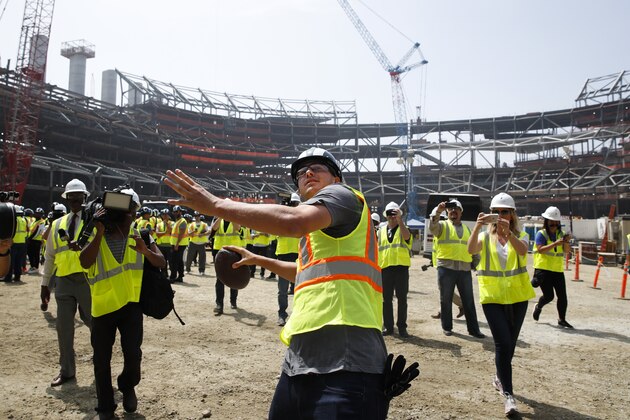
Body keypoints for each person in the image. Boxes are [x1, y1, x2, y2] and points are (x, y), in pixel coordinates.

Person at [164, 147, 391, 419]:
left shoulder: (344, 196)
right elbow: (306, 273)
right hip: (301, 359)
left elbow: (292, 221)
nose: (307, 172)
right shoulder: (318, 233)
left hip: (347, 358)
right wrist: (259, 259)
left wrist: (215, 204)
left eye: (317, 167)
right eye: (300, 172)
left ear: (337, 179)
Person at [79, 188, 165, 419]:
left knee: (133, 354)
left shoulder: (142, 234)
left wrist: (145, 251)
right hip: (103, 306)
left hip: (131, 306)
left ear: (134, 213)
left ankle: (127, 386)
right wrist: (97, 233)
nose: (125, 216)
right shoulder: (97, 231)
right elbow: (84, 262)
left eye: (128, 211)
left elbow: (161, 262)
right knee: (101, 360)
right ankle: (105, 406)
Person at [467, 192, 535, 417]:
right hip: (493, 297)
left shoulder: (522, 234)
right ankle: (509, 396)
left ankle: (499, 377)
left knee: (511, 345)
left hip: (518, 296)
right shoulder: (486, 236)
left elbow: (523, 250)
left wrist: (508, 233)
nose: (500, 215)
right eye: (495, 212)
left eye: (504, 211)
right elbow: (471, 250)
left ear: (512, 214)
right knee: (502, 344)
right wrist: (477, 226)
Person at [41, 179, 93, 387]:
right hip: (63, 281)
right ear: (67, 199)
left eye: (78, 197)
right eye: (71, 197)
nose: (74, 200)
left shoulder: (93, 223)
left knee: (95, 326)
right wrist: (45, 283)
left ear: (85, 198)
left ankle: (101, 367)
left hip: (88, 280)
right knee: (64, 328)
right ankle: (67, 371)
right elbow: (50, 256)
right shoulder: (57, 224)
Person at [429, 199, 484, 338]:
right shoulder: (441, 226)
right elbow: (432, 227)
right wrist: (438, 210)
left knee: (469, 300)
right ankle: (447, 327)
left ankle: (474, 329)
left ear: (461, 212)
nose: (453, 211)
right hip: (446, 268)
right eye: (451, 209)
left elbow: (474, 250)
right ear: (447, 211)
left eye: (456, 209)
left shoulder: (467, 230)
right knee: (445, 299)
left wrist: (477, 266)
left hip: (464, 269)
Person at [532, 206, 573, 328]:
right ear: (547, 222)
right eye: (551, 223)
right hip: (543, 269)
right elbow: (540, 250)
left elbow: (566, 251)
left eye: (556, 223)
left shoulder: (562, 234)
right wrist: (555, 243)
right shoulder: (541, 234)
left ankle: (562, 319)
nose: (554, 225)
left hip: (557, 270)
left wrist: (566, 242)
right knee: (549, 296)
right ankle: (538, 306)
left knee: (562, 296)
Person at [378, 201, 412, 338]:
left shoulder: (404, 228)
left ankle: (402, 327)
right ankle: (388, 326)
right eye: (389, 213)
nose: (392, 216)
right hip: (385, 268)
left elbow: (407, 237)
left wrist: (400, 221)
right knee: (386, 300)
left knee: (402, 299)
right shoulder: (380, 231)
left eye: (394, 213)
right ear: (385, 215)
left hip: (401, 268)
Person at [274, 193, 301, 326]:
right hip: (284, 254)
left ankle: (298, 315)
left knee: (300, 288)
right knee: (283, 289)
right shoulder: (281, 218)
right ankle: (282, 314)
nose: (296, 206)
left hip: (297, 254)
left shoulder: (301, 217)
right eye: (294, 204)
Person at [210, 212, 242, 315]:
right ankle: (219, 305)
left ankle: (233, 300)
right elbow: (214, 228)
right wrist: (220, 216)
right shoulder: (218, 219)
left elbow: (238, 228)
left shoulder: (235, 218)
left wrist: (231, 216)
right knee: (219, 279)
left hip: (234, 252)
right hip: (219, 252)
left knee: (234, 277)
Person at [2, 206, 27, 282]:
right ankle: (17, 276)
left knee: (11, 261)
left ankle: (8, 277)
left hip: (14, 242)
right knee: (18, 261)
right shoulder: (23, 220)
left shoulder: (13, 220)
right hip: (22, 242)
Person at [169, 205, 188, 283]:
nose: (175, 213)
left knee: (174, 262)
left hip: (179, 244)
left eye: (177, 212)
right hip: (176, 244)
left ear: (180, 212)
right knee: (179, 261)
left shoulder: (182, 221)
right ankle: (180, 276)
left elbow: (181, 234)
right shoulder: (177, 221)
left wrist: (177, 244)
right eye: (174, 212)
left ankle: (172, 277)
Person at [26, 207, 47, 274]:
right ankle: (32, 266)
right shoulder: (34, 220)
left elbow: (38, 232)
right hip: (32, 239)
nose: (38, 215)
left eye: (40, 214)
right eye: (37, 213)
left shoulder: (41, 222)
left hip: (36, 240)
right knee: (30, 253)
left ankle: (35, 267)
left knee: (35, 254)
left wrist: (30, 238)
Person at [155, 208, 173, 278]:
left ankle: (172, 275)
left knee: (171, 262)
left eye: (166, 215)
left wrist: (167, 224)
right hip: (161, 245)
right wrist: (165, 232)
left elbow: (171, 231)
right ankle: (164, 275)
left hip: (170, 245)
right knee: (163, 261)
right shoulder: (159, 224)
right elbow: (157, 234)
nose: (165, 216)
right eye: (163, 215)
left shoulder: (172, 223)